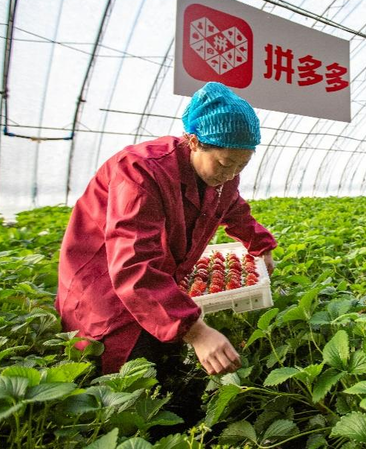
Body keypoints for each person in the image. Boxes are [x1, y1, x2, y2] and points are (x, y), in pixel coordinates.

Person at [56, 82, 276, 380]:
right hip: (105, 281)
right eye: (225, 163)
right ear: (194, 142)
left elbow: (233, 206)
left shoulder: (222, 176)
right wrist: (197, 332)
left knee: (167, 356)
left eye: (242, 165)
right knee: (128, 368)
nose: (231, 174)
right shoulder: (140, 170)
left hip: (159, 279)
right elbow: (134, 265)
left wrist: (260, 244)